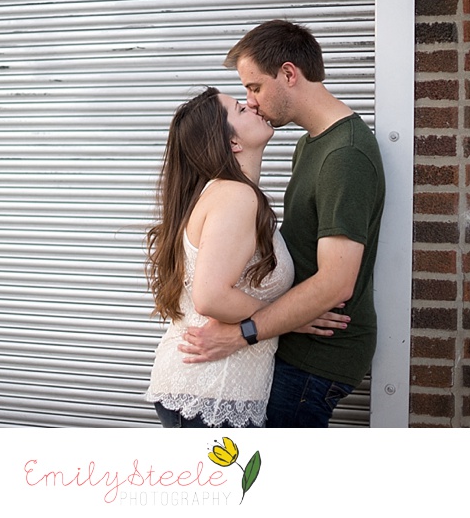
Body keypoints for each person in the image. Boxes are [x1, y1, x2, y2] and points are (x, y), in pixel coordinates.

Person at [180, 20, 386, 428]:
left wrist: (242, 333)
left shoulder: (344, 155)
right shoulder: (311, 143)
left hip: (316, 358)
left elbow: (336, 282)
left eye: (254, 87)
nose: (251, 102)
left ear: (289, 74)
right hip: (293, 344)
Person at [143, 87, 340, 428]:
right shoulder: (235, 195)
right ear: (233, 142)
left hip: (214, 390)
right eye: (239, 108)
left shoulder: (230, 194)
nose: (252, 104)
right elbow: (211, 296)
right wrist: (290, 317)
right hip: (208, 392)